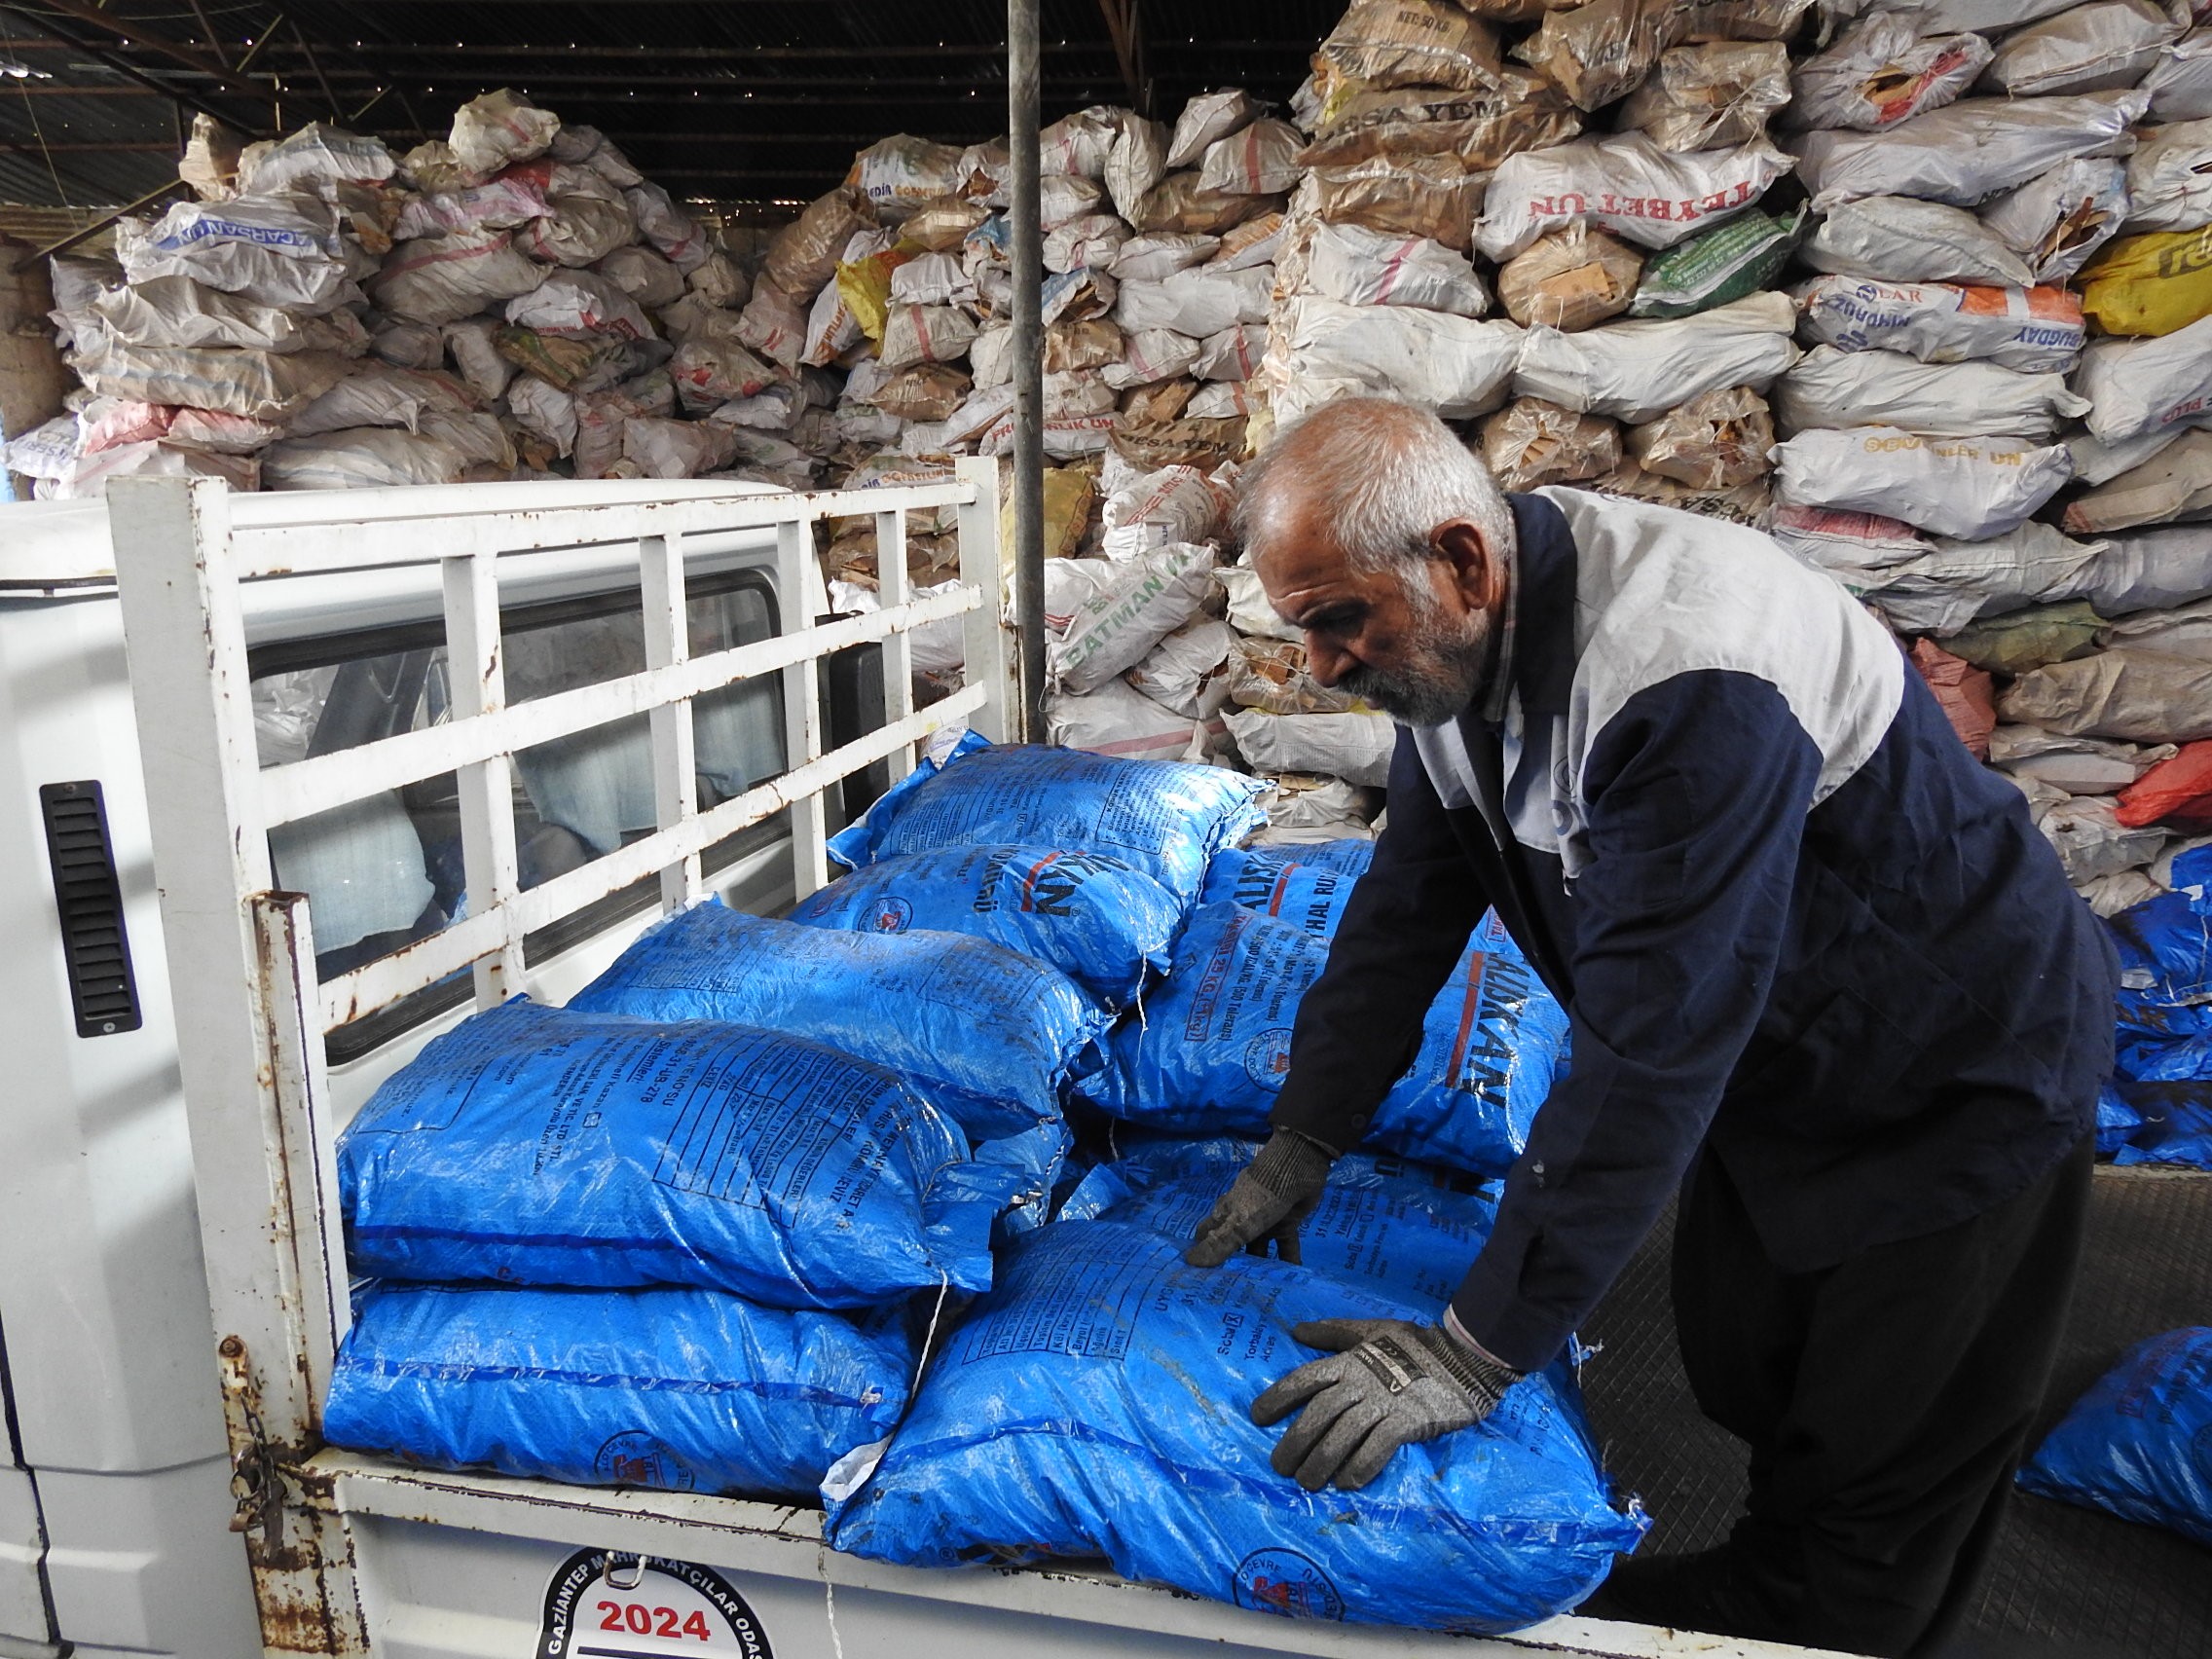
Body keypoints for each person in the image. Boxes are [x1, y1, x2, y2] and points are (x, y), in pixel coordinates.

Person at [1183, 397, 2116, 1659]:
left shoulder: (1684, 672)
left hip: (1953, 1067)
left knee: (1878, 1490)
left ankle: (1815, 1623)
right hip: (1787, 1057)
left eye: (1339, 622)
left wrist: (1469, 1354)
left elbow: (1649, 1043)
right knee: (1754, 1368)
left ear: (1461, 558)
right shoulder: (1458, 657)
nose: (1322, 669)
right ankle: (1778, 1565)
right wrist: (1307, 1134)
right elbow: (1401, 914)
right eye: (1306, 632)